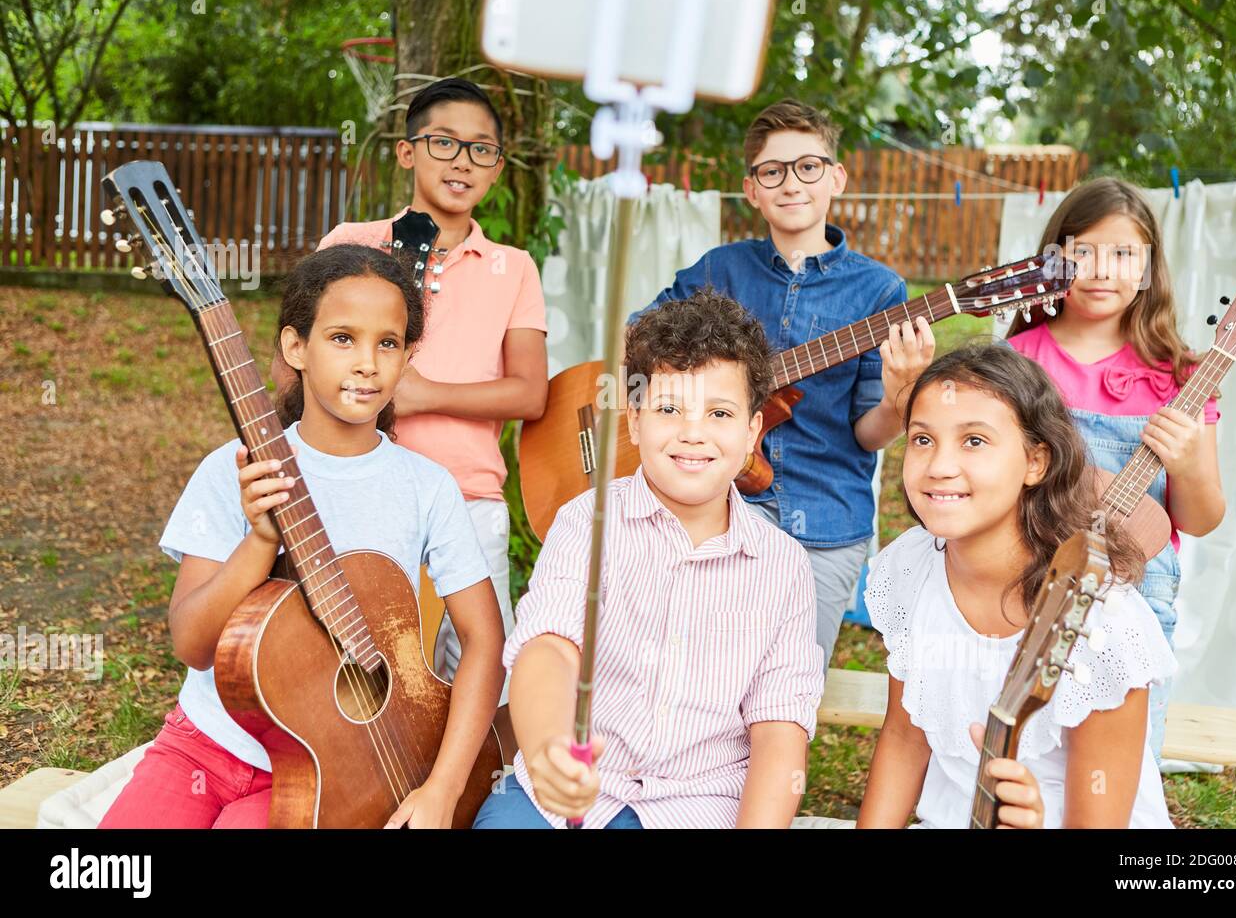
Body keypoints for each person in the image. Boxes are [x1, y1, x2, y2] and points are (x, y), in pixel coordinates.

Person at [101, 245, 503, 828]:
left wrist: (443, 789)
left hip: (338, 764)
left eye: (387, 343)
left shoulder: (426, 486)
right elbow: (191, 644)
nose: (367, 363)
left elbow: (484, 642)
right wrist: (259, 541)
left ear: (407, 356)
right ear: (297, 348)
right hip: (206, 744)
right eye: (343, 338)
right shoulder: (236, 469)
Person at [474, 290, 823, 828]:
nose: (693, 432)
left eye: (720, 413)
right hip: (565, 798)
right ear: (634, 423)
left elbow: (779, 730)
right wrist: (548, 750)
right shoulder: (584, 522)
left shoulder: (783, 565)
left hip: (698, 806)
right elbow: (549, 648)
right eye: (669, 409)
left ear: (753, 431)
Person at [630, 99, 934, 671]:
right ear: (752, 190)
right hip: (715, 504)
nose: (792, 183)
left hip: (823, 520)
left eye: (808, 167)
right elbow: (638, 339)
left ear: (836, 177)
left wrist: (901, 396)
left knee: (788, 687)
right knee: (696, 671)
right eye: (773, 171)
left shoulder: (879, 291)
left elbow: (870, 433)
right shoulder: (721, 270)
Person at [856, 344, 1175, 828]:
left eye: (975, 441)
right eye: (922, 439)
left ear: (1036, 462)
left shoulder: (1102, 622)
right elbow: (905, 736)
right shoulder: (909, 569)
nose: (939, 465)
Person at [314, 78, 548, 736]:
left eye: (482, 150)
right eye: (444, 142)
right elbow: (293, 367)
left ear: (498, 167)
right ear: (406, 152)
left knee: (483, 673)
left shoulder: (513, 268)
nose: (463, 162)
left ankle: (470, 796)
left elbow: (530, 392)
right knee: (367, 677)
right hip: (361, 496)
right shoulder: (351, 245)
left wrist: (423, 394)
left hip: (470, 504)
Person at [1005, 177, 1225, 763]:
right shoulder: (1017, 361)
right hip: (1026, 574)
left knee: (1117, 761)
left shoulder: (1178, 376)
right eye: (1083, 251)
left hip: (1138, 588)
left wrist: (1187, 464)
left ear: (1149, 267)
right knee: (1023, 748)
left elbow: (1201, 519)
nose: (1102, 269)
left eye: (1124, 253)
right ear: (1052, 260)